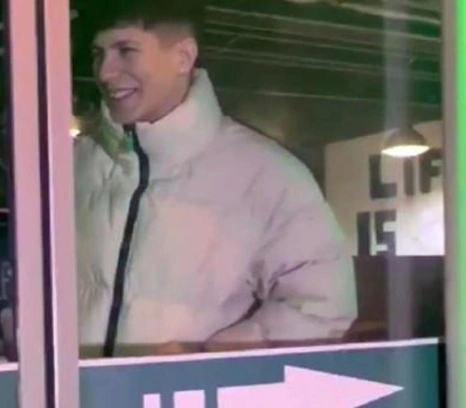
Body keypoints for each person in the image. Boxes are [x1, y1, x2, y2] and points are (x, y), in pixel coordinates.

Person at [75, 0, 358, 357]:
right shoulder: (69, 163)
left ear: (183, 57)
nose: (105, 72)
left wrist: (212, 359)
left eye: (126, 51)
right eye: (98, 54)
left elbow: (322, 304)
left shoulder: (268, 174)